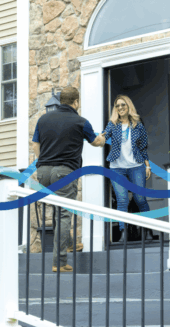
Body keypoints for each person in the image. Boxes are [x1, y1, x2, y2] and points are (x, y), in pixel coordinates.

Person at [31, 86, 105, 272]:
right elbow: (96, 142)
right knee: (64, 214)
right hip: (64, 172)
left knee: (58, 210)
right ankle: (60, 262)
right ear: (76, 102)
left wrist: (42, 163)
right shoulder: (80, 121)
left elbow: (35, 144)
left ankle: (70, 243)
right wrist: (103, 138)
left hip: (43, 173)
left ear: (60, 101)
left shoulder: (43, 119)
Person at [103, 95, 154, 242]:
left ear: (128, 106)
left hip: (136, 166)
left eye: (122, 105)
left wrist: (147, 165)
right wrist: (96, 138)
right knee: (122, 200)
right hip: (117, 168)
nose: (120, 108)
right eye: (117, 106)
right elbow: (104, 137)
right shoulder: (112, 124)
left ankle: (148, 231)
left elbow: (143, 147)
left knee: (140, 199)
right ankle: (123, 233)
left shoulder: (137, 124)